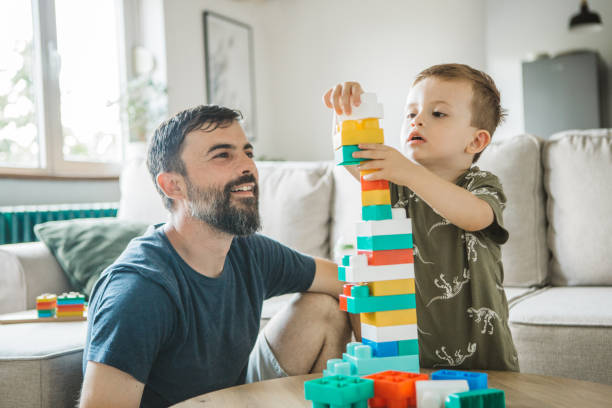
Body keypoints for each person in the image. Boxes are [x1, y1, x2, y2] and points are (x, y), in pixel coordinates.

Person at [79, 105, 358, 407]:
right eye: (223, 155)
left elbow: (348, 282)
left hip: (233, 397)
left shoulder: (249, 251)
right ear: (173, 185)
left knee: (324, 307)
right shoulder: (139, 292)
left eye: (247, 153)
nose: (247, 167)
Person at [323, 63, 519, 371]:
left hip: (485, 361)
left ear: (476, 141)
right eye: (411, 113)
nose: (418, 122)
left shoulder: (481, 185)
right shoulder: (395, 188)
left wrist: (410, 173)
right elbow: (354, 157)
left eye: (437, 113)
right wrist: (347, 113)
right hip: (411, 362)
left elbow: (476, 216)